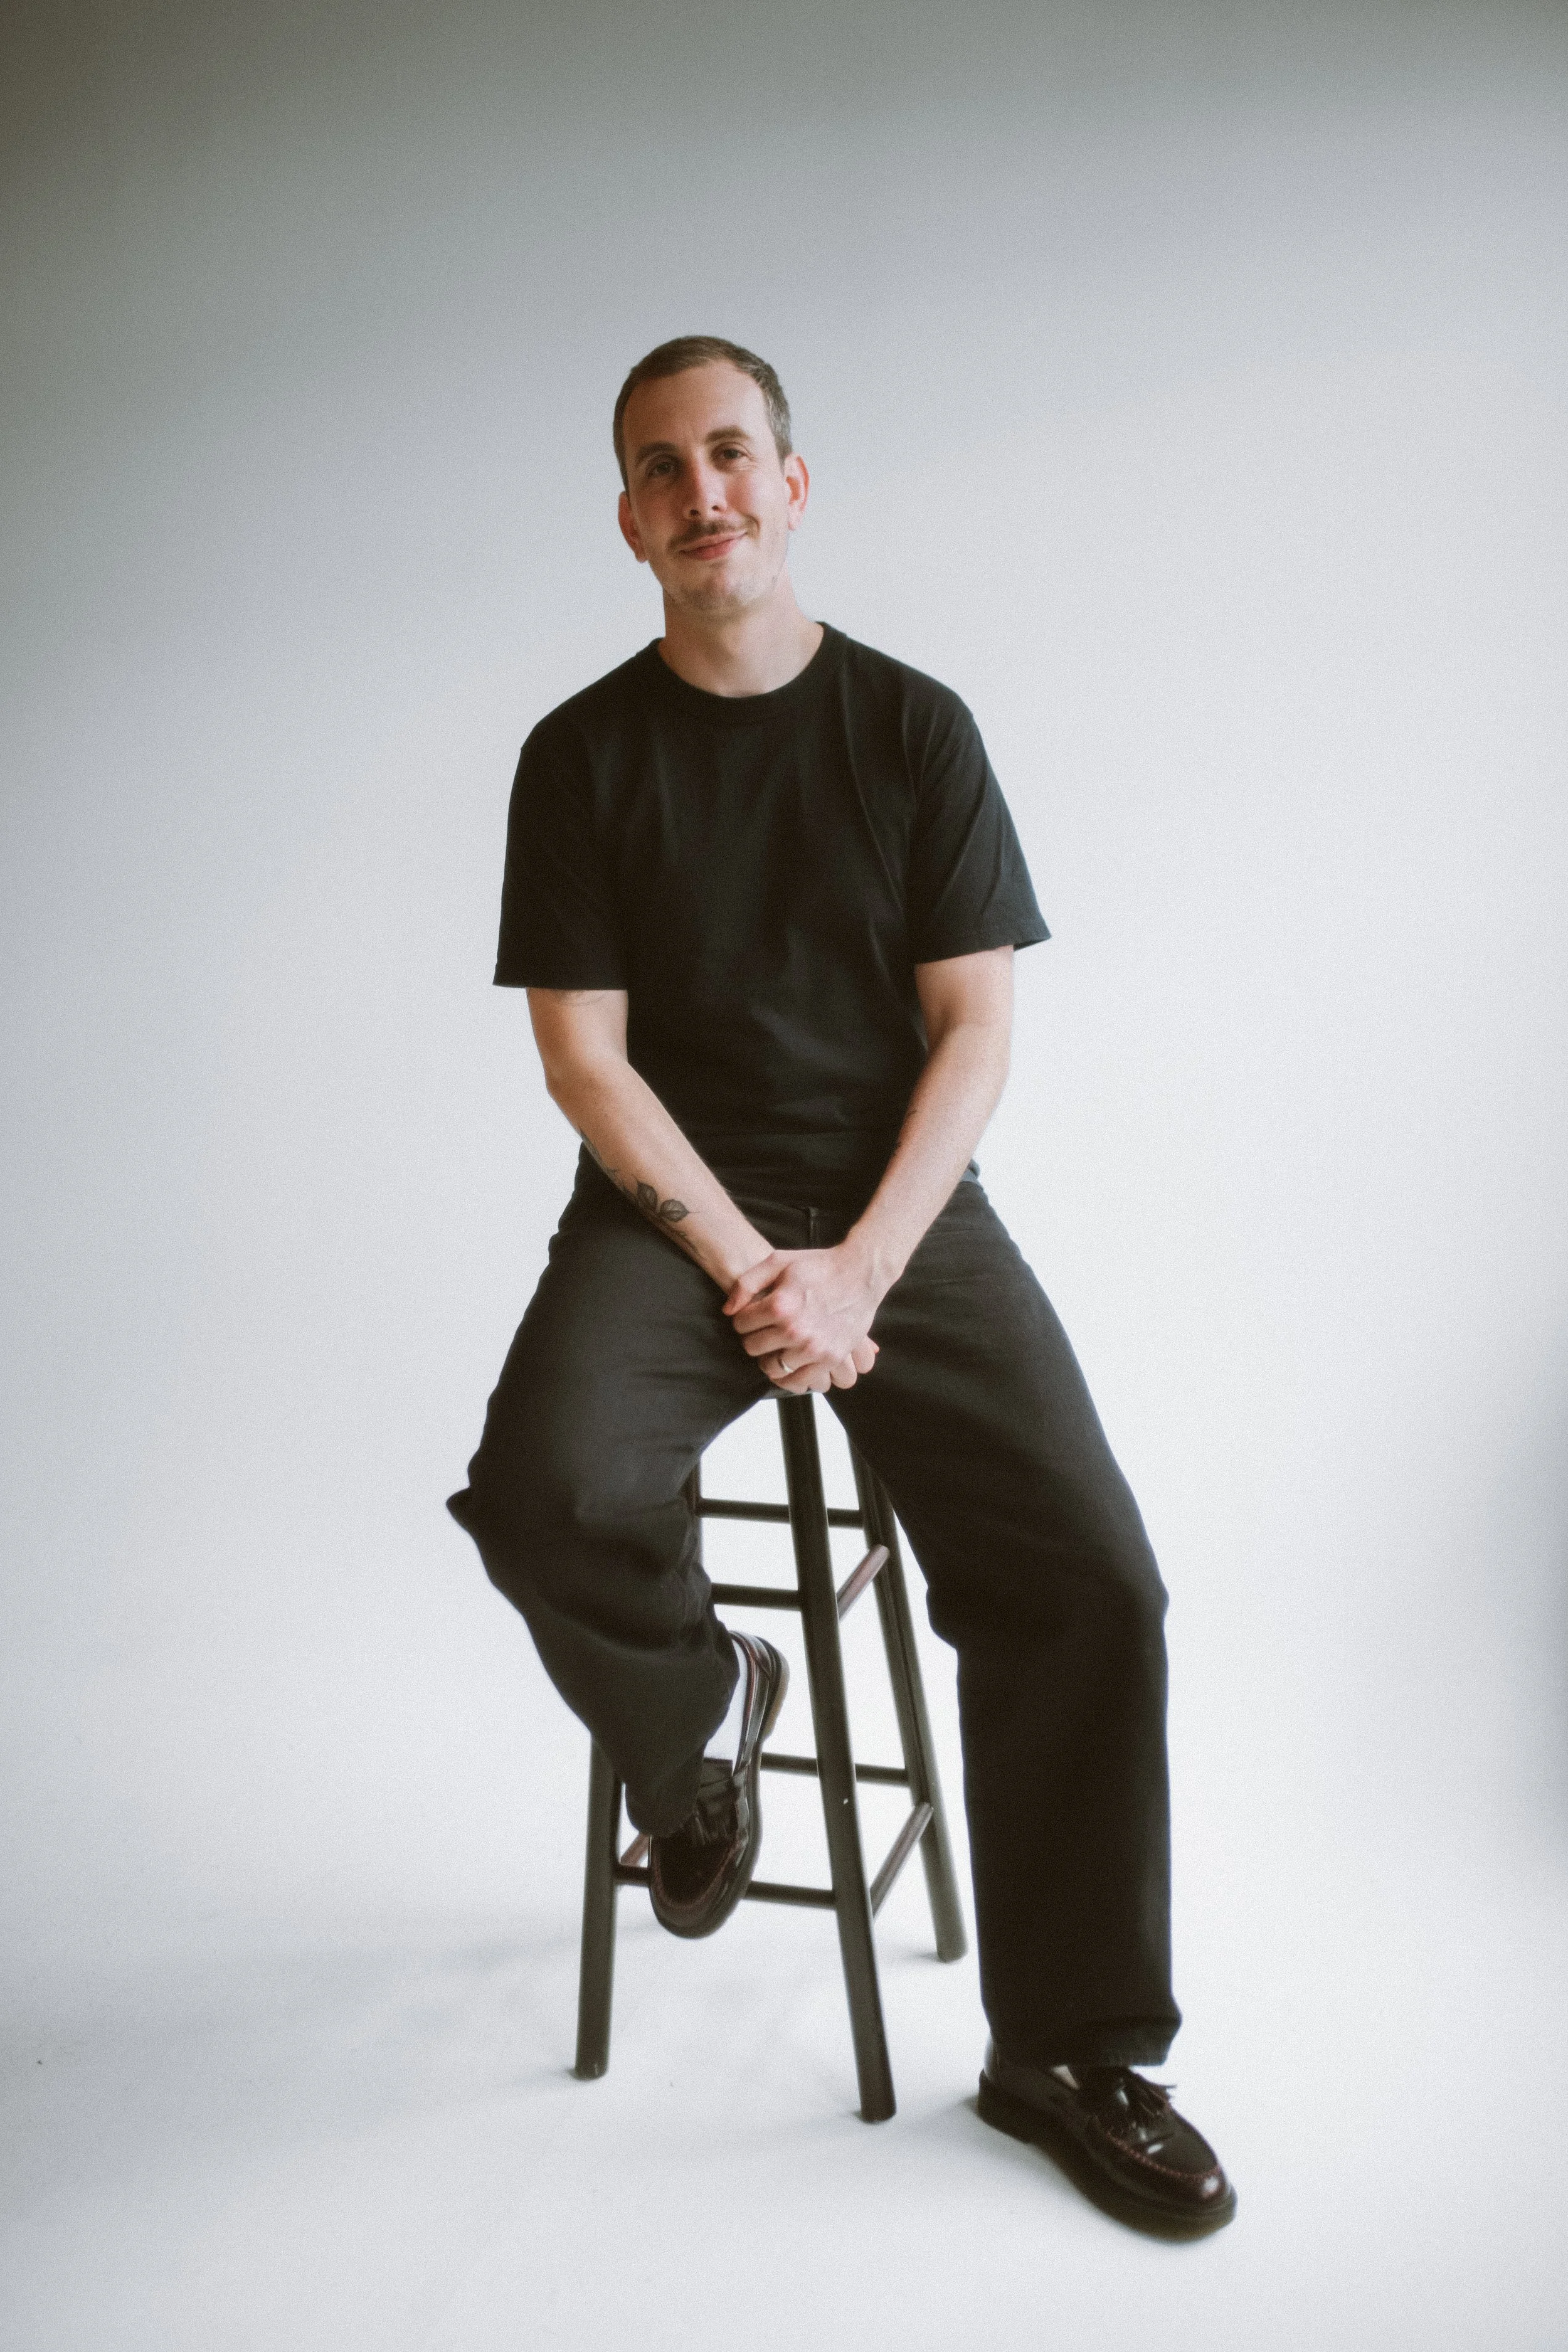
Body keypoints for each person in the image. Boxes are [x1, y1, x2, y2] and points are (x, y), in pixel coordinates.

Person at [447, 334, 1235, 2238]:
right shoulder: (582, 754)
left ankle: (1068, 2048)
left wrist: (861, 1264)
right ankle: (704, 1708)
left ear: (793, 485)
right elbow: (585, 1062)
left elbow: (973, 1031)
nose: (698, 491)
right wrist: (748, 1269)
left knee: (1086, 1576)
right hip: (671, 1211)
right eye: (658, 467)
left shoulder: (911, 730)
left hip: (900, 1206)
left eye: (730, 454)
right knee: (546, 1488)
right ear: (627, 516)